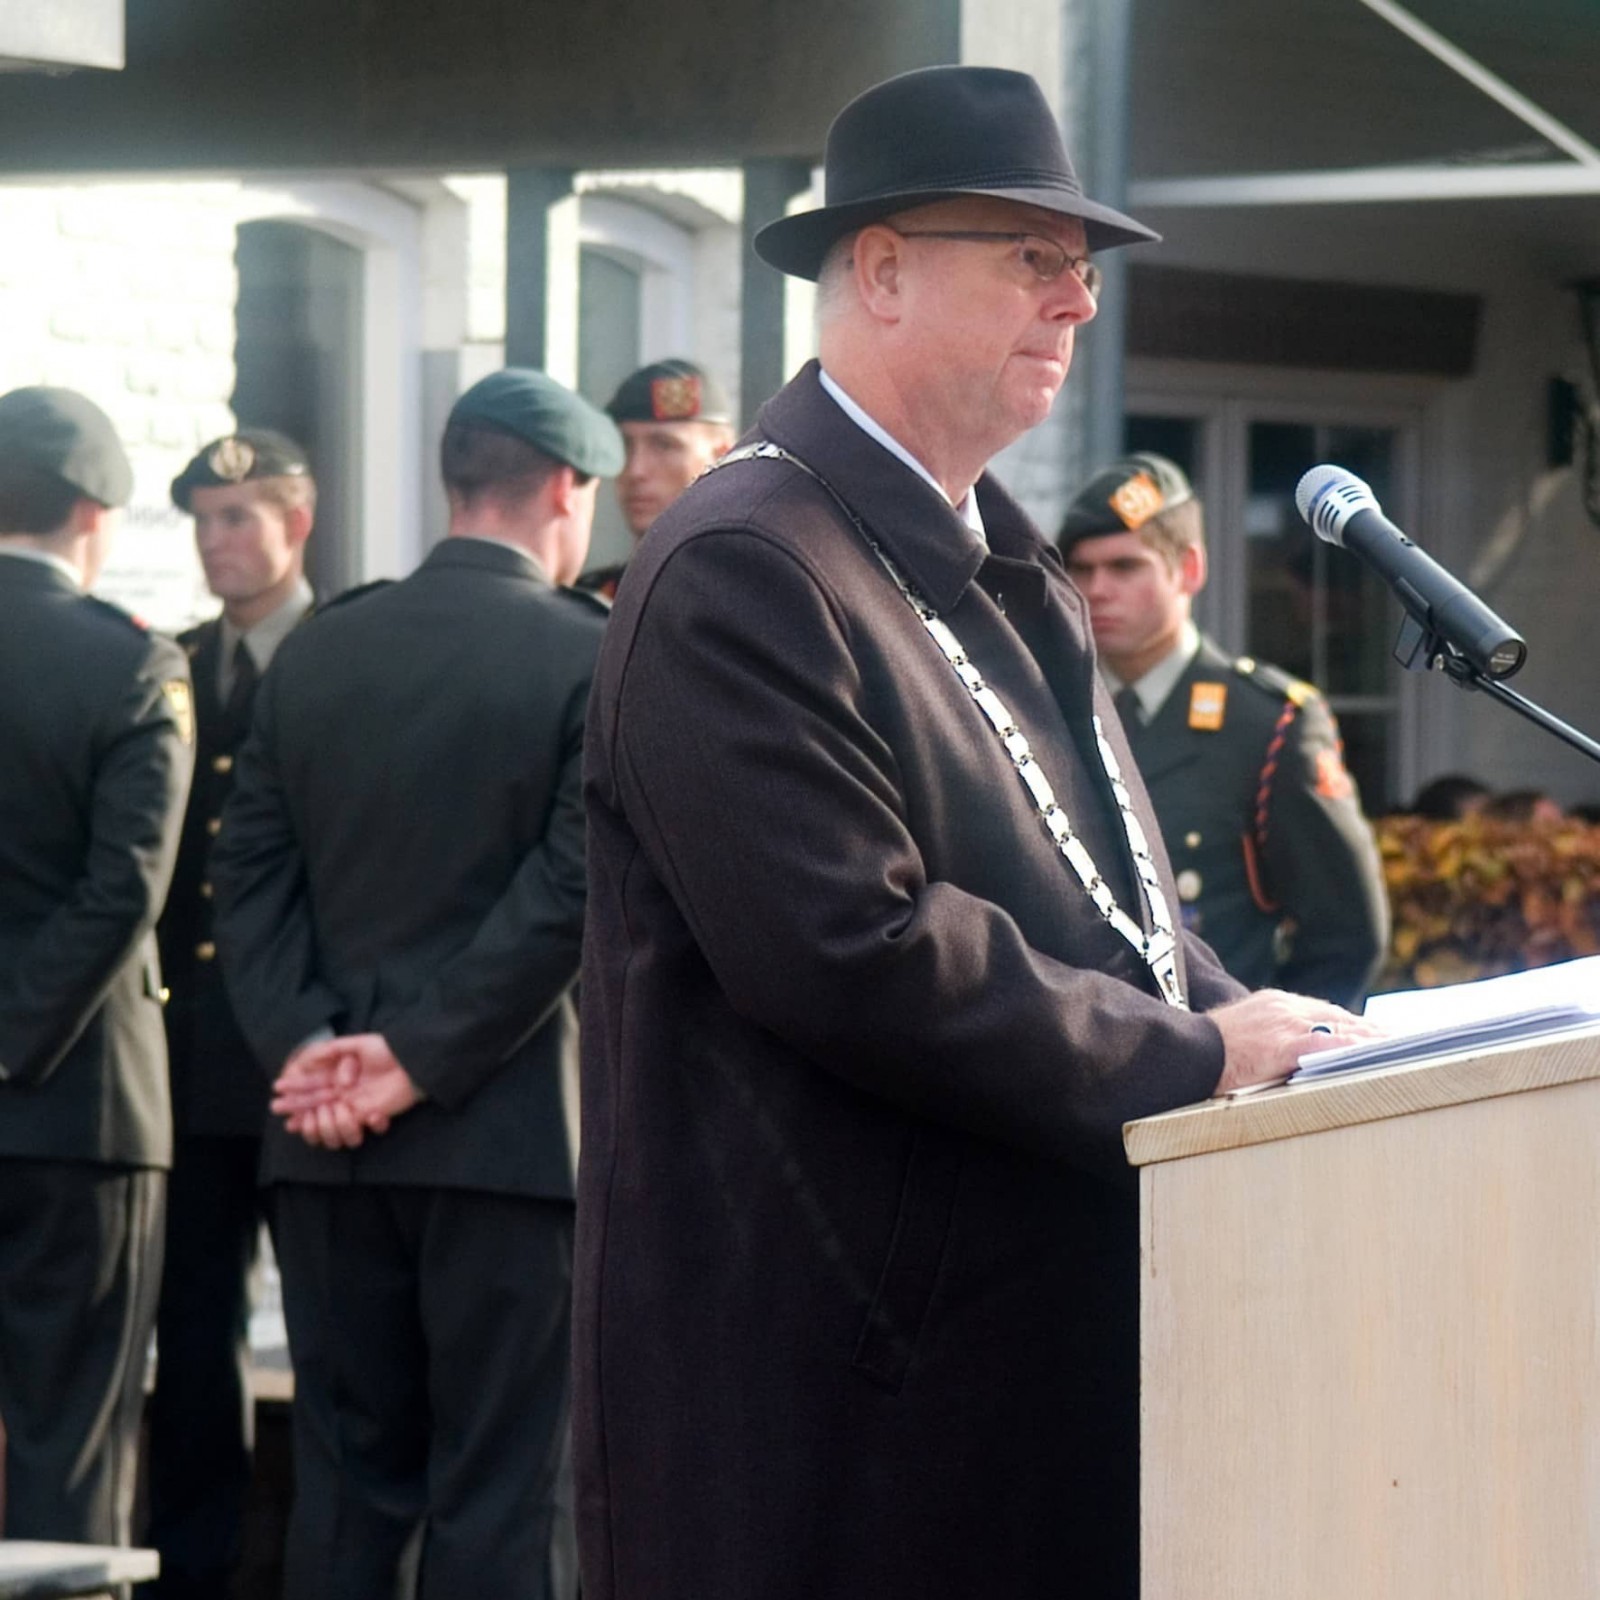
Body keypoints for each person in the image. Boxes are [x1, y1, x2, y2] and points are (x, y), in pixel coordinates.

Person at [572, 65, 1379, 1600]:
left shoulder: (997, 556)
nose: (1075, 304)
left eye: (1081, 268)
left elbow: (1121, 913)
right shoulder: (747, 565)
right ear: (878, 269)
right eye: (1032, 258)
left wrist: (1284, 1038)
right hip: (843, 1408)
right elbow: (849, 949)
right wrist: (1200, 1058)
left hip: (1015, 1370)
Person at [211, 369, 621, 1600]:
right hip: (507, 1143)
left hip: (325, 1142)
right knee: (506, 1492)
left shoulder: (324, 648)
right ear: (565, 487)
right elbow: (570, 890)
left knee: (345, 1493)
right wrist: (418, 1060)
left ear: (457, 483)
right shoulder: (588, 655)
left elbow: (248, 880)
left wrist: (313, 1050)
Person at [0, 387, 193, 1556]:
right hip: (82, 1108)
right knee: (74, 1431)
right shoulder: (127, 662)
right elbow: (123, 886)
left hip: (63, 1095)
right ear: (93, 514)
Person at [145, 429, 317, 1600]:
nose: (218, 542)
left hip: (307, 1054)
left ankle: (321, 1564)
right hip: (195, 1061)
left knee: (328, 1331)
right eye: (204, 519)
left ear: (298, 523)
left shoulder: (345, 655)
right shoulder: (173, 663)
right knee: (195, 1331)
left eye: (240, 516)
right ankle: (199, 1568)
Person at [1058, 452, 1390, 1007]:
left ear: (1189, 569)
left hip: (1223, 1056)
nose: (1097, 589)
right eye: (1082, 568)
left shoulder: (1266, 723)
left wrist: (1281, 1050)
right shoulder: (1059, 708)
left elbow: (1347, 935)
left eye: (1125, 567)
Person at [576, 358, 735, 600]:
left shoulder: (748, 599)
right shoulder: (598, 598)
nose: (636, 470)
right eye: (625, 445)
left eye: (664, 445)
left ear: (720, 457)